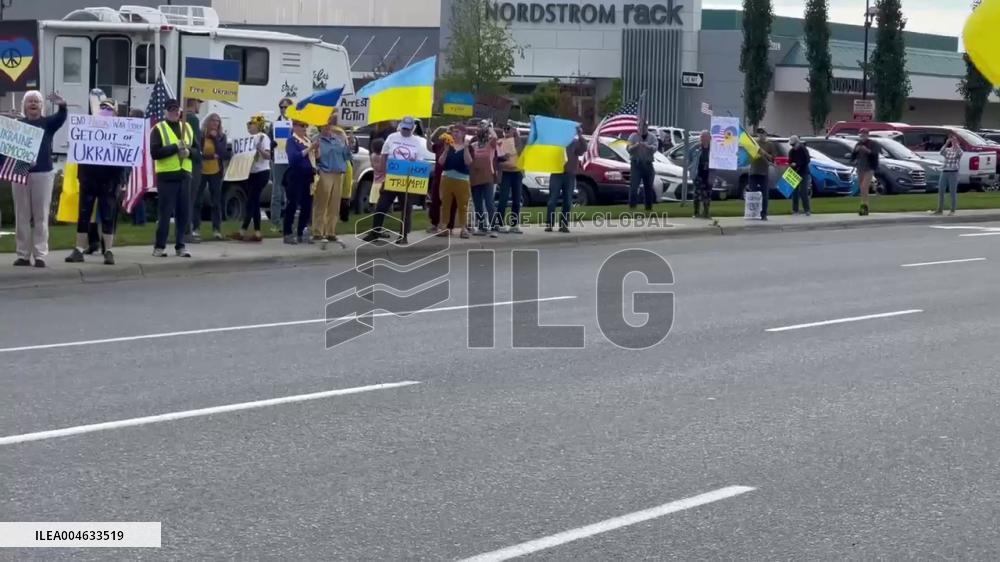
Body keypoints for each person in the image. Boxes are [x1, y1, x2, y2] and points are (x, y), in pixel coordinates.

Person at [65, 98, 127, 265]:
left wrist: (121, 180)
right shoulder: (88, 127)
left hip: (110, 180)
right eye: (102, 107)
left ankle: (108, 250)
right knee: (84, 214)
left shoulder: (120, 131)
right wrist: (81, 175)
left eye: (108, 108)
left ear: (115, 112)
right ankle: (78, 249)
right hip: (89, 177)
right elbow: (79, 150)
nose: (105, 110)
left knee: (107, 215)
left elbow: (125, 156)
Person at [10, 90, 67, 268]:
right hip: (20, 170)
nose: (33, 104)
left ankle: (40, 254)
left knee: (41, 215)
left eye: (36, 101)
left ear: (41, 106)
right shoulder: (17, 124)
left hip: (43, 171)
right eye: (30, 101)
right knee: (22, 215)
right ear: (25, 105)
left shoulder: (47, 123)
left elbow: (61, 117)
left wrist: (62, 104)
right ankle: (23, 254)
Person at [365, 116, 433, 245]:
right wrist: (384, 172)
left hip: (406, 179)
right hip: (392, 177)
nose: (405, 131)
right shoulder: (392, 137)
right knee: (382, 205)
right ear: (401, 126)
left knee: (406, 208)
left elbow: (420, 161)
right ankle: (375, 231)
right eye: (404, 128)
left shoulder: (416, 142)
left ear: (412, 128)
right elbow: (384, 155)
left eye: (408, 129)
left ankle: (403, 235)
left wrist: (414, 162)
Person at [151, 97, 199, 258]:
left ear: (180, 111)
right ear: (165, 112)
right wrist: (174, 147)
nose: (174, 113)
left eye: (176, 110)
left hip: (184, 176)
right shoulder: (158, 129)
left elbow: (197, 152)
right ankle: (159, 247)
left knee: (183, 213)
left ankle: (181, 245)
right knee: (165, 214)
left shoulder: (187, 128)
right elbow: (155, 153)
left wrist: (188, 153)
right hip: (167, 177)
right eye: (170, 110)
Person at [311, 114, 353, 242]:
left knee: (335, 204)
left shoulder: (338, 139)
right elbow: (315, 158)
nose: (328, 127)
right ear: (320, 127)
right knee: (322, 202)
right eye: (325, 125)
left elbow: (346, 156)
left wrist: (349, 146)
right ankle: (318, 231)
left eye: (329, 124)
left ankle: (331, 231)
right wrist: (316, 152)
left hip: (338, 173)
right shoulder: (317, 140)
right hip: (325, 172)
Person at [230, 114, 270, 242]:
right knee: (254, 202)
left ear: (258, 126)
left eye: (251, 124)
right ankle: (257, 232)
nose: (249, 126)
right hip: (251, 173)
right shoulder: (249, 139)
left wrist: (259, 149)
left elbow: (268, 156)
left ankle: (243, 230)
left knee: (252, 201)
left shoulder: (263, 138)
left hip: (261, 172)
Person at [193, 113, 230, 240]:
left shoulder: (221, 137)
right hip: (201, 171)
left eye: (218, 121)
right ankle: (196, 228)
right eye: (213, 120)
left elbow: (223, 153)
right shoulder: (201, 136)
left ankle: (216, 229)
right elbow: (198, 153)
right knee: (197, 201)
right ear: (208, 122)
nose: (215, 123)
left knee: (216, 202)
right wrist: (210, 156)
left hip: (215, 172)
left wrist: (214, 139)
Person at [546, 127, 587, 233]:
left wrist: (580, 135)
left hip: (569, 175)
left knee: (568, 201)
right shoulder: (556, 143)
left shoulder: (574, 143)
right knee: (552, 200)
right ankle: (549, 224)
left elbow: (583, 149)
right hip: (557, 173)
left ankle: (564, 225)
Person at [438, 124, 474, 239]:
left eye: (457, 131)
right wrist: (445, 150)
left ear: (464, 133)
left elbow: (468, 162)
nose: (454, 133)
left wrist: (466, 148)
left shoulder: (468, 147)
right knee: (445, 204)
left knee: (463, 205)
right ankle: (444, 227)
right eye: (453, 131)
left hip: (462, 179)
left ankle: (463, 229)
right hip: (447, 178)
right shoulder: (449, 145)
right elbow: (441, 162)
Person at [283, 120, 315, 244]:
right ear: (295, 127)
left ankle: (301, 231)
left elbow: (313, 158)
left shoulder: (307, 140)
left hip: (308, 175)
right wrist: (308, 149)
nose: (304, 128)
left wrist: (315, 151)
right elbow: (294, 158)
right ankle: (287, 232)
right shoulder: (292, 141)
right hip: (296, 175)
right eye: (302, 126)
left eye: (305, 125)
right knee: (292, 204)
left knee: (307, 205)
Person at [469, 120, 500, 238]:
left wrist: (489, 127)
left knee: (489, 203)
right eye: (480, 131)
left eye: (484, 132)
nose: (482, 134)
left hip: (488, 177)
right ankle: (482, 226)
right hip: (475, 177)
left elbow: (495, 137)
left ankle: (493, 227)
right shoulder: (474, 145)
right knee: (477, 203)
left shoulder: (490, 145)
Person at [497, 124, 525, 233]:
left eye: (509, 129)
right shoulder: (501, 142)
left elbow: (520, 152)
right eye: (505, 129)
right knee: (503, 199)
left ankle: (514, 224)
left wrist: (516, 136)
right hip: (505, 173)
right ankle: (499, 223)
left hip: (517, 173)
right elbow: (498, 158)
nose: (506, 131)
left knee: (517, 199)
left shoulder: (518, 141)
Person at [270, 97, 293, 231]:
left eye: (286, 107)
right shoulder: (275, 124)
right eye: (281, 107)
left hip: (291, 160)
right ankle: (275, 222)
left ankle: (288, 222)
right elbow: (269, 140)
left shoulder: (296, 123)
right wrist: (272, 145)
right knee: (277, 192)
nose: (284, 109)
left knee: (291, 193)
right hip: (278, 161)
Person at [184, 98, 204, 243]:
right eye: (199, 102)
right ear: (194, 103)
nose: (200, 106)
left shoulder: (181, 118)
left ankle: (185, 230)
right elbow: (196, 144)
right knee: (189, 200)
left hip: (183, 164)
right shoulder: (193, 120)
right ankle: (187, 232)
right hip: (192, 164)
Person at [627, 121, 658, 211]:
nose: (642, 128)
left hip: (648, 164)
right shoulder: (633, 136)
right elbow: (628, 149)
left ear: (647, 127)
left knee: (648, 187)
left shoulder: (652, 137)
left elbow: (655, 148)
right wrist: (636, 146)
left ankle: (648, 208)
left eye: (644, 126)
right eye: (640, 127)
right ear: (638, 127)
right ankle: (632, 207)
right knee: (634, 187)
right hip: (636, 165)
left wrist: (647, 146)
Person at [127, 108, 148, 226]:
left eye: (131, 116)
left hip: (137, 165)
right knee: (133, 192)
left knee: (137, 193)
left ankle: (140, 220)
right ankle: (136, 219)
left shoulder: (140, 131)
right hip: (132, 163)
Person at [748, 129, 775, 221]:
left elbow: (772, 158)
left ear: (766, 134)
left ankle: (764, 214)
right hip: (754, 172)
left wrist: (765, 154)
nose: (761, 135)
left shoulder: (770, 144)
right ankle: (753, 213)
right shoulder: (754, 143)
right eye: (759, 133)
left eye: (762, 133)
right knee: (753, 193)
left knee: (764, 194)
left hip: (764, 172)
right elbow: (749, 154)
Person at [852, 129, 879, 216]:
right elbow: (853, 156)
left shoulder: (872, 144)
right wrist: (855, 151)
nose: (862, 136)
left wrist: (867, 150)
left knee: (864, 186)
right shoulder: (858, 144)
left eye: (864, 134)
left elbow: (875, 154)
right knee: (863, 189)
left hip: (869, 168)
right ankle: (864, 206)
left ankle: (864, 206)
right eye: (861, 135)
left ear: (867, 135)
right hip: (860, 168)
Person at [935, 133, 963, 216]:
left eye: (955, 140)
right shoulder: (948, 150)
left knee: (952, 191)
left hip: (953, 172)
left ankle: (952, 210)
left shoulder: (959, 150)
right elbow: (941, 152)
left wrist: (956, 144)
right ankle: (940, 209)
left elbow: (960, 154)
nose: (953, 142)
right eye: (952, 140)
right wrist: (947, 142)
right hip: (944, 171)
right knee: (941, 190)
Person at [689, 130, 712, 219]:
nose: (704, 139)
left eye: (706, 137)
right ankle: (696, 212)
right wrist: (693, 166)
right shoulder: (697, 148)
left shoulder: (713, 150)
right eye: (702, 137)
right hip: (698, 173)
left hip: (709, 174)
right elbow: (689, 155)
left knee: (707, 194)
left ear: (710, 138)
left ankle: (706, 212)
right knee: (697, 194)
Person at [788, 135, 812, 216]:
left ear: (798, 143)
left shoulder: (803, 149)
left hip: (803, 172)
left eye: (794, 144)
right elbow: (789, 161)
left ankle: (807, 210)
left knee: (803, 191)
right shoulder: (791, 152)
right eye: (791, 145)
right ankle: (795, 210)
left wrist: (797, 164)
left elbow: (807, 160)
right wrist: (791, 164)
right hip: (794, 173)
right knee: (795, 192)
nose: (793, 146)